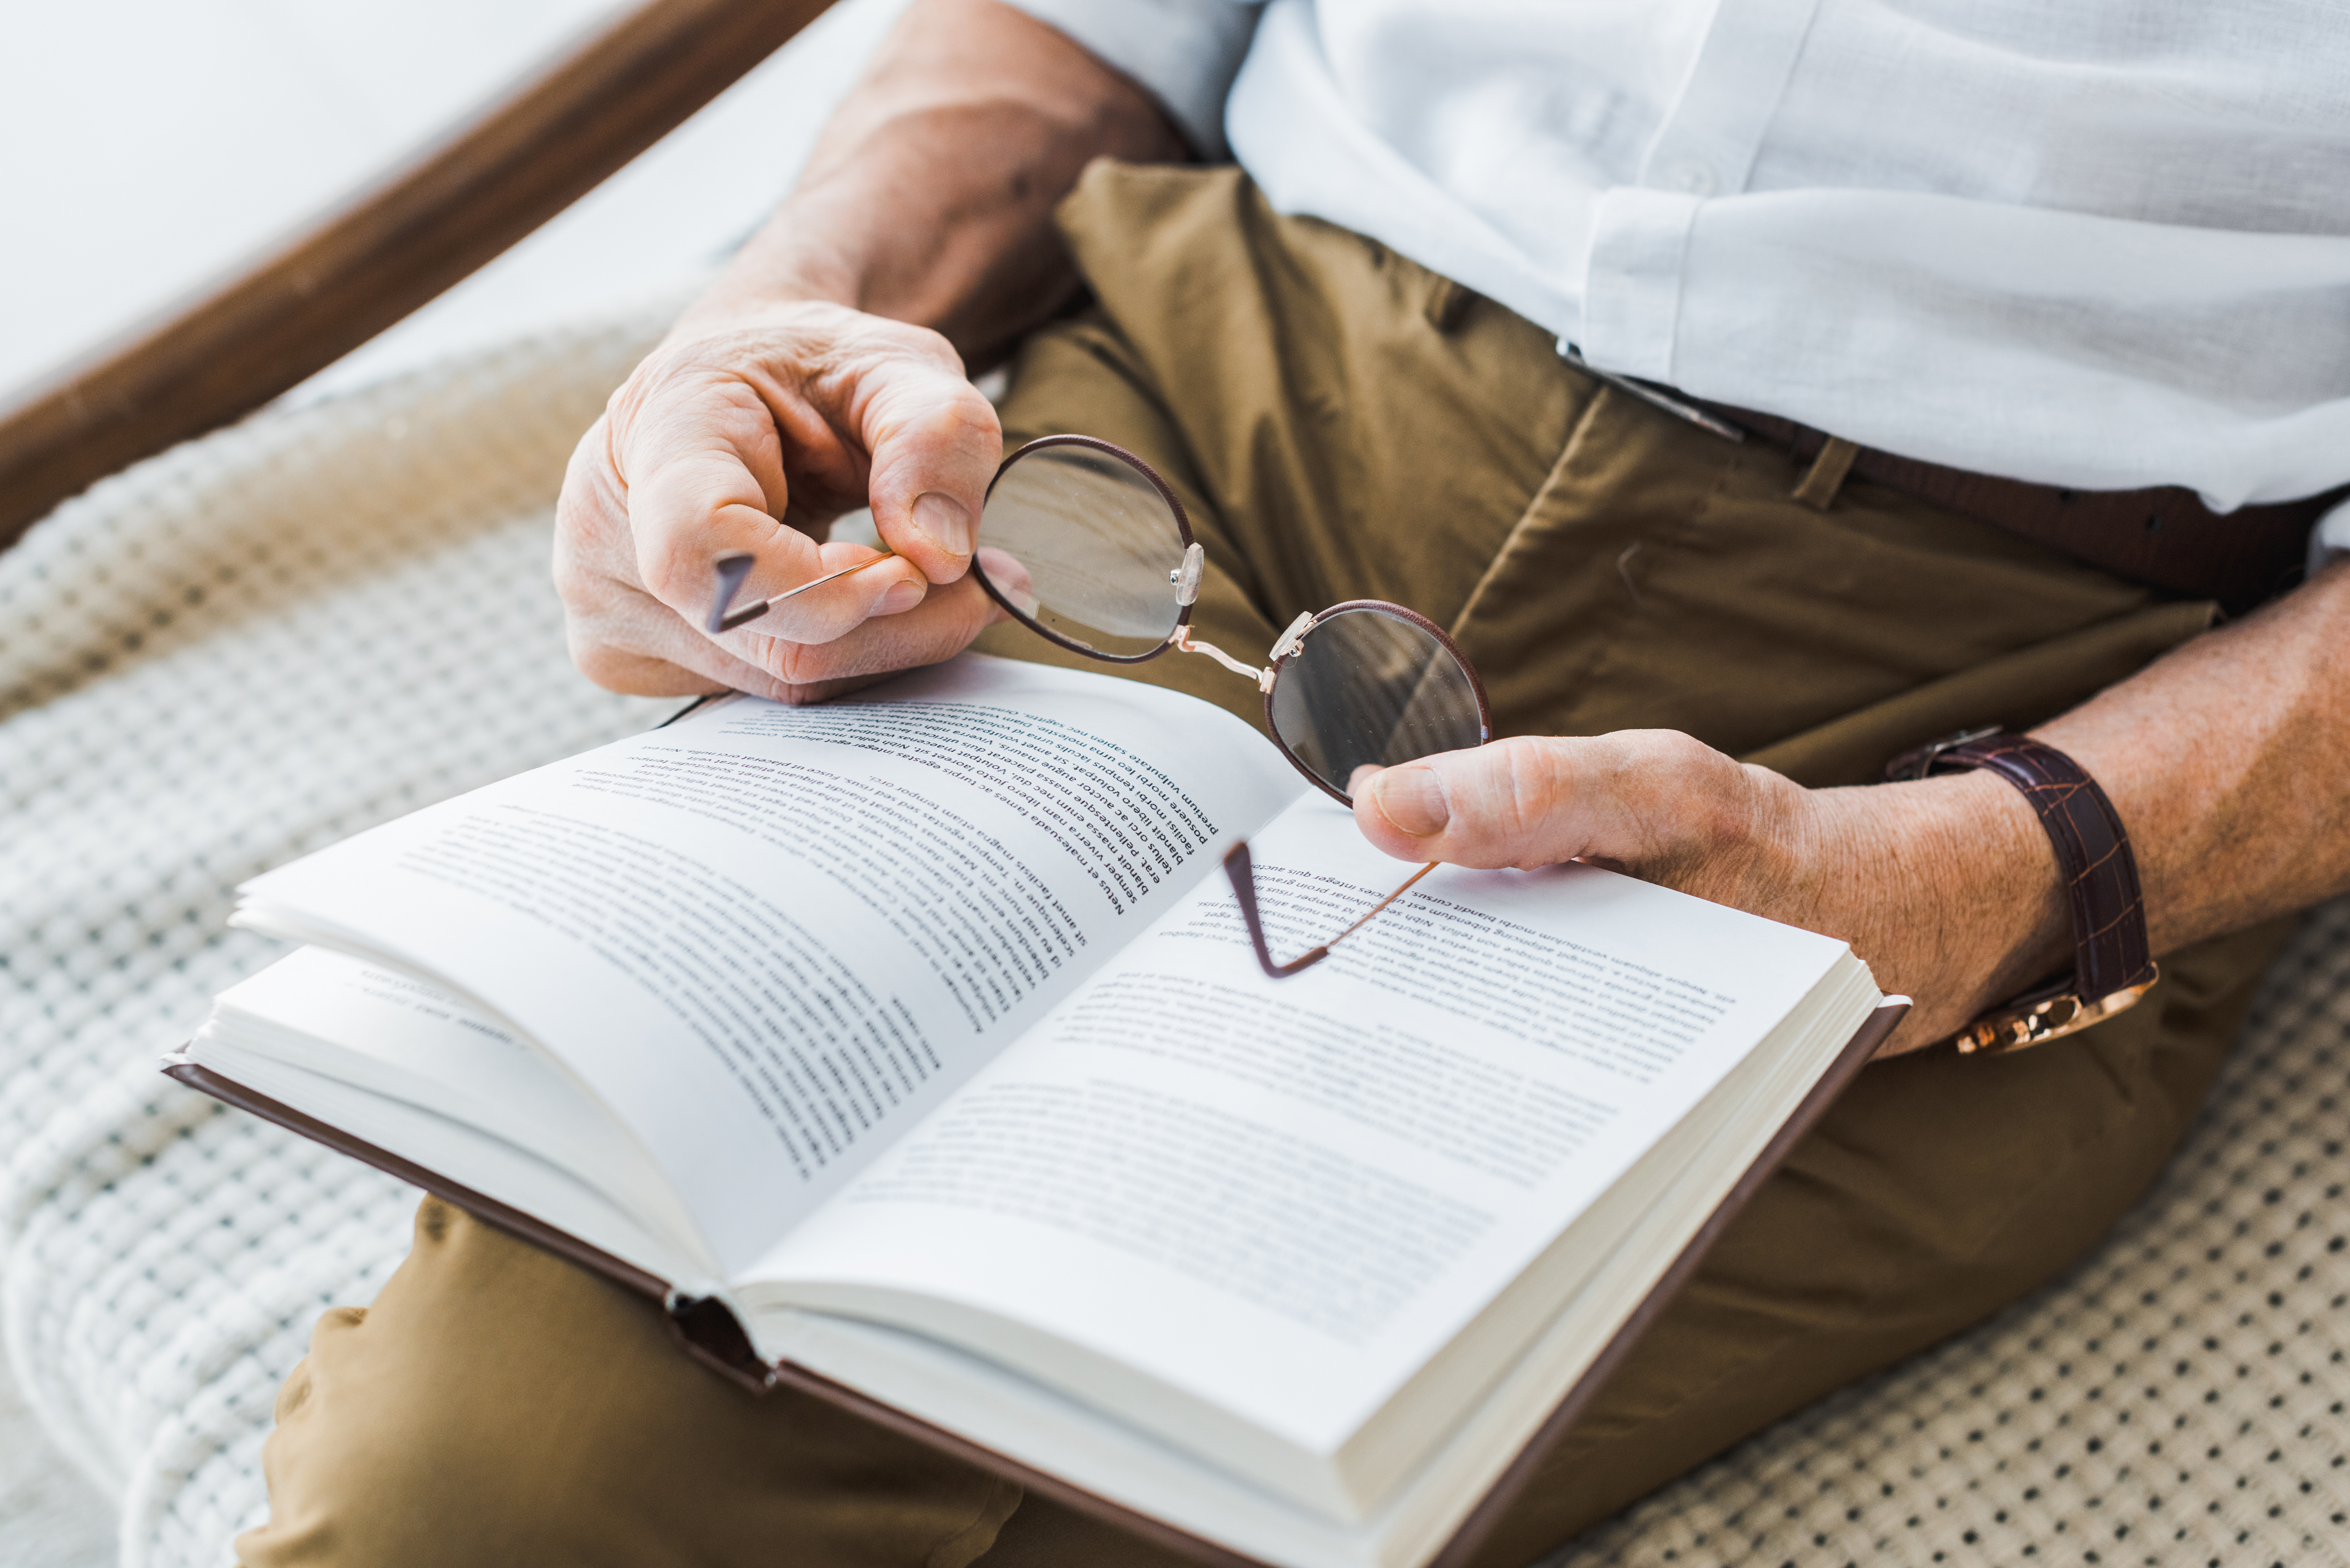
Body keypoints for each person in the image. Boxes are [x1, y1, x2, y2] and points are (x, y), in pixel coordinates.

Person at [235, 2, 2350, 1564]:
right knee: (478, 1497)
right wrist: (800, 318)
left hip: (1973, 697)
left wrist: (1981, 872)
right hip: (1171, 438)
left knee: (1214, 1459)